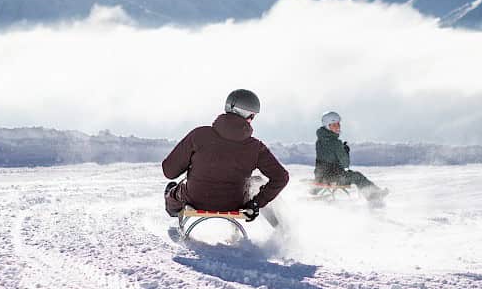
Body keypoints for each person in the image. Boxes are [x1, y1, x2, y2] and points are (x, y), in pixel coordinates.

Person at [162, 89, 289, 221]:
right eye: (253, 116)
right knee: (257, 183)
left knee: (176, 190)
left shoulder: (199, 135)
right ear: (249, 116)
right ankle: (283, 227)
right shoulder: (256, 147)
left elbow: (169, 172)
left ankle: (172, 207)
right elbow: (281, 177)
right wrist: (256, 203)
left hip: (195, 200)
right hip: (234, 204)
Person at [314, 111, 387, 202]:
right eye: (334, 125)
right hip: (333, 177)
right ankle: (374, 195)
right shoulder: (336, 143)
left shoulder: (320, 141)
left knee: (349, 174)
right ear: (327, 126)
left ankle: (314, 191)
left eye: (338, 124)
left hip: (320, 176)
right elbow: (345, 164)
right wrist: (345, 151)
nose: (338, 127)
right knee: (357, 176)